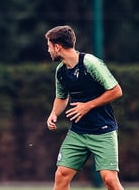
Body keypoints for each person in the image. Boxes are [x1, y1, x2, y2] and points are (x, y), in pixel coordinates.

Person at [44, 25, 124, 190]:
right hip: (78, 133)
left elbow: (116, 91)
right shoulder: (60, 71)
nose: (48, 50)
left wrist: (88, 106)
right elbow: (61, 97)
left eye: (49, 46)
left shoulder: (90, 63)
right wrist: (53, 113)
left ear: (57, 47)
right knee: (61, 175)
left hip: (103, 130)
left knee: (109, 179)